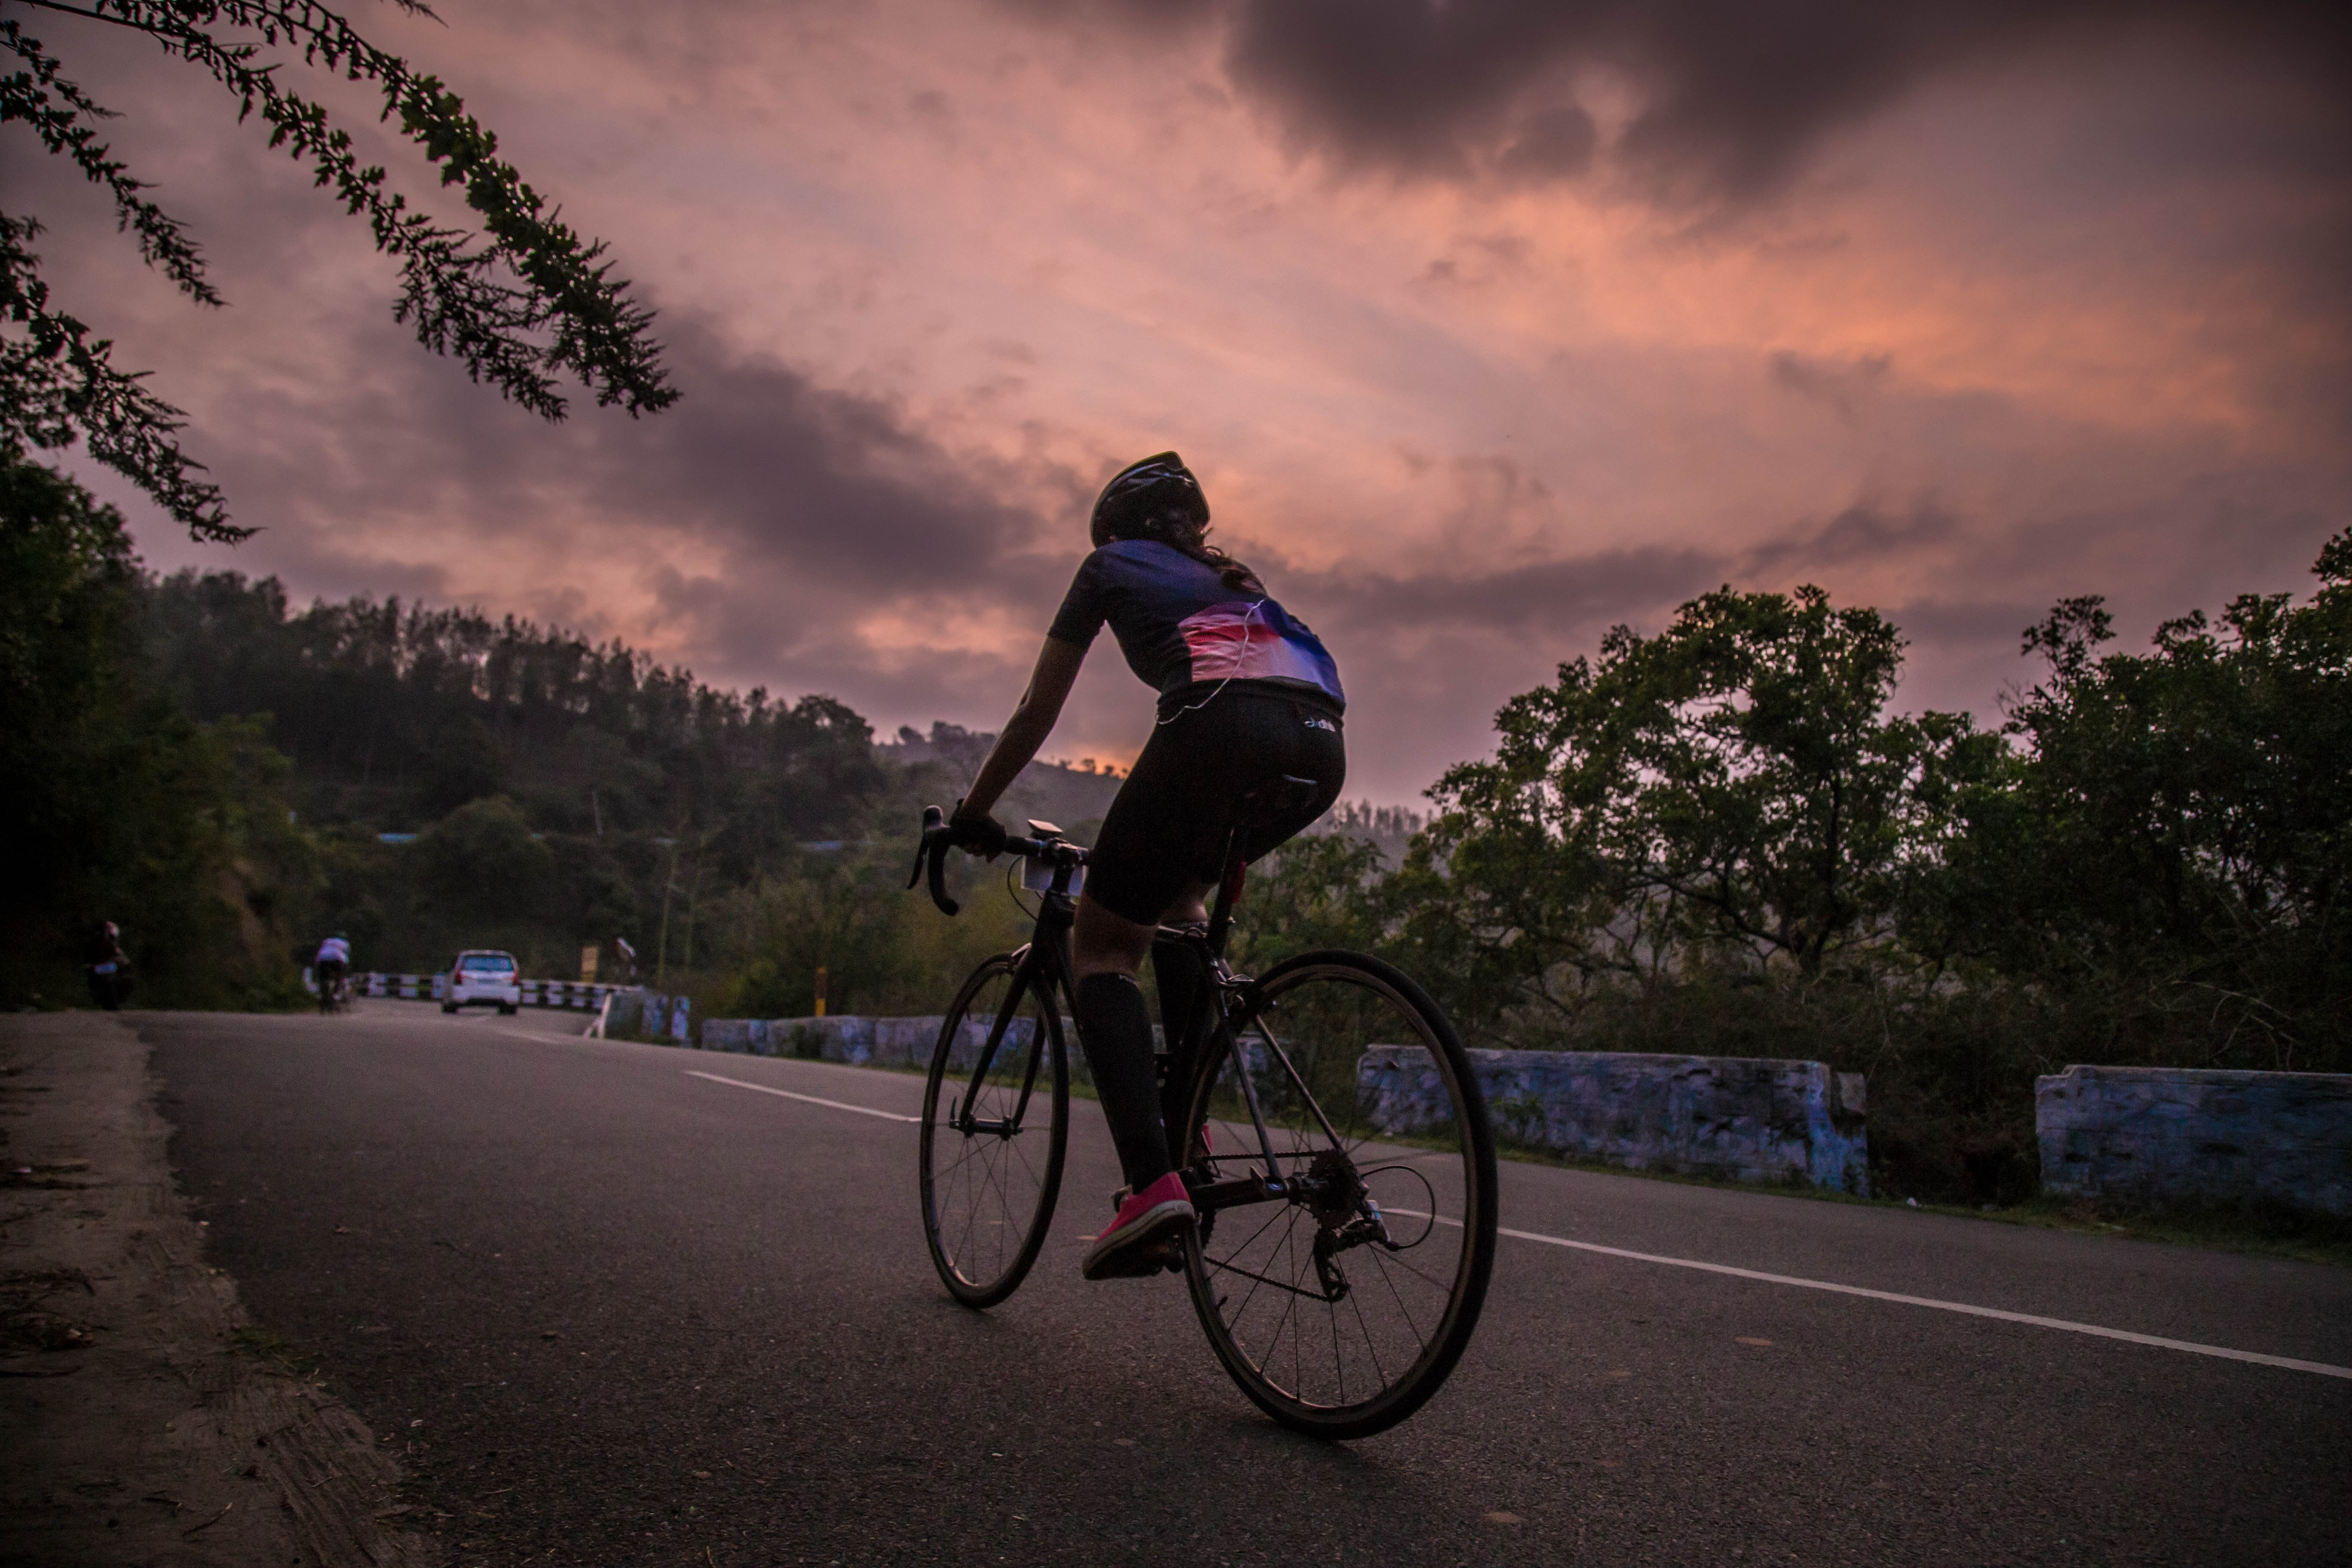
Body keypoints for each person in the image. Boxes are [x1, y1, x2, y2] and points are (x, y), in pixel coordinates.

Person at [948, 452, 1346, 1280]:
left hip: (1221, 728)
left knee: (1101, 942)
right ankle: (1186, 1116)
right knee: (1179, 901)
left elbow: (1037, 709)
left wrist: (974, 810)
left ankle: (1150, 1184)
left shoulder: (1107, 564)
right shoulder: (1236, 580)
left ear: (1119, 531)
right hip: (1321, 743)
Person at [87, 921, 132, 1011]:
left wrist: (122, 967)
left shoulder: (117, 952)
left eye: (111, 937)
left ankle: (119, 999)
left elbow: (127, 965)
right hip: (101, 977)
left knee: (127, 979)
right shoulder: (94, 950)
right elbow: (89, 967)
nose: (109, 941)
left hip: (114, 977)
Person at [315, 932, 352, 1013]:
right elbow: (347, 954)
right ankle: (335, 996)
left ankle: (322, 996)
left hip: (322, 959)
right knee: (340, 978)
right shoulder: (345, 943)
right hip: (338, 960)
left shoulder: (327, 941)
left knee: (324, 979)